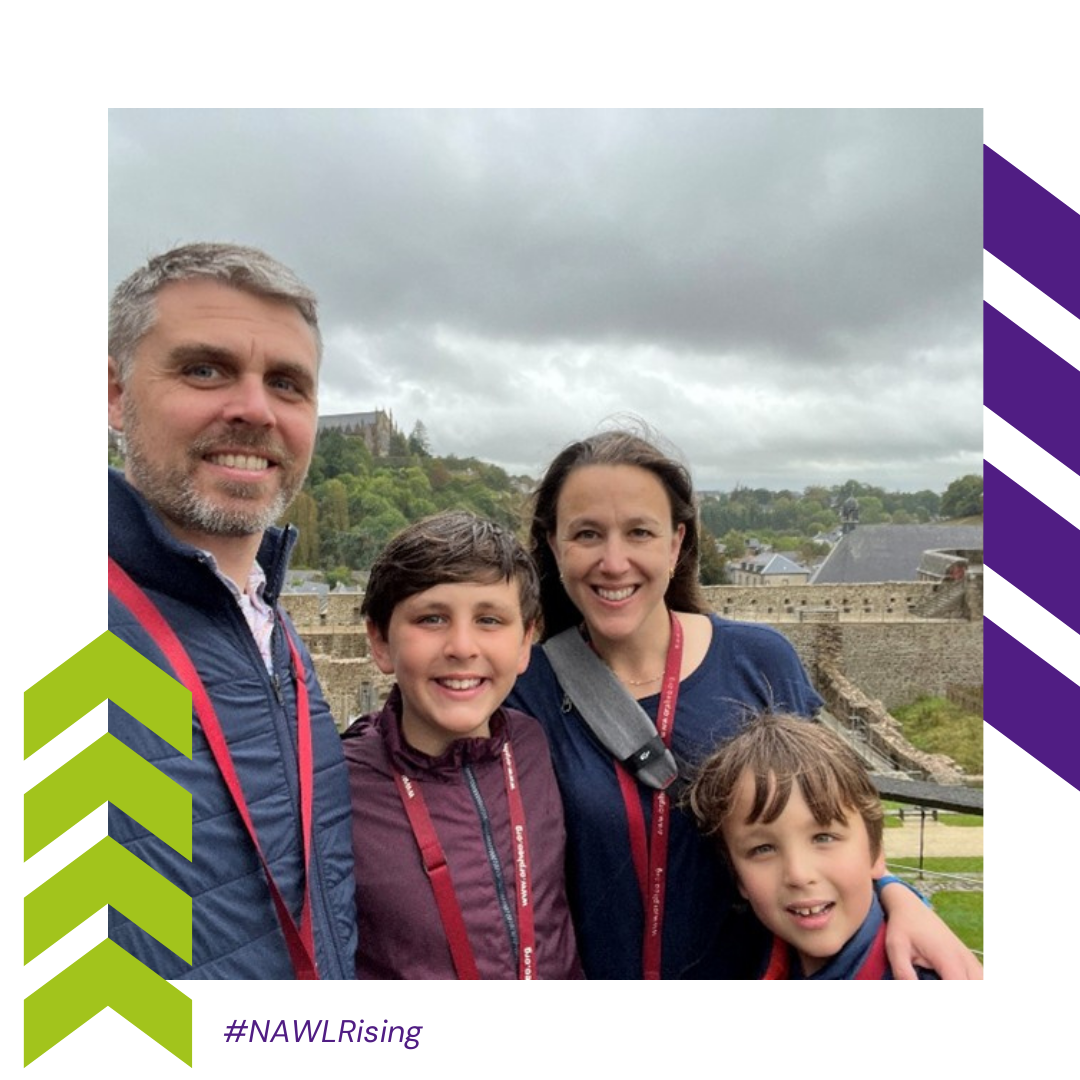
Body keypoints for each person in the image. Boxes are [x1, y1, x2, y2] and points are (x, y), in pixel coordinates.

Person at [506, 427, 983, 979]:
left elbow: (833, 816)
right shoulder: (524, 689)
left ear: (676, 543)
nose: (614, 562)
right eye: (587, 534)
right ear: (553, 545)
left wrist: (898, 896)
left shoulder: (759, 661)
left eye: (639, 532)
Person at [107, 242, 356, 978]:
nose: (254, 408)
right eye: (204, 369)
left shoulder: (276, 632)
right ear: (114, 394)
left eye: (287, 383)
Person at [343, 511, 581, 979]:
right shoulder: (338, 786)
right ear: (380, 641)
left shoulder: (535, 746)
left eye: (489, 619)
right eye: (431, 618)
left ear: (525, 642)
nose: (462, 646)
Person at [688, 712, 940, 979]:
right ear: (738, 876)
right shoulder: (745, 957)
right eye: (763, 848)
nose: (798, 874)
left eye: (823, 838)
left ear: (875, 852)